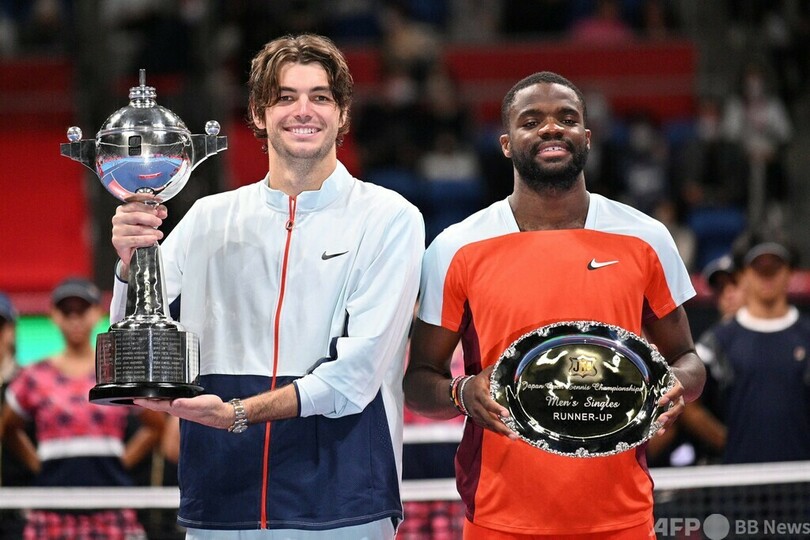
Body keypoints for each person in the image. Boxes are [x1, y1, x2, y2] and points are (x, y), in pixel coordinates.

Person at [115, 33, 424, 538]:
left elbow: (356, 376)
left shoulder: (389, 218)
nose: (303, 111)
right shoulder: (208, 218)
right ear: (258, 114)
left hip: (343, 505)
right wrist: (131, 264)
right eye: (285, 97)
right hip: (221, 502)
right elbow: (135, 351)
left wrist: (236, 414)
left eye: (320, 97)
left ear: (343, 113)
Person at [403, 71, 705, 538]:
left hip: (623, 516)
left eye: (567, 118)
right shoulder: (455, 247)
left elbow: (688, 360)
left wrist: (675, 385)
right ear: (506, 144)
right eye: (531, 121)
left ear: (587, 137)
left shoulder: (646, 237)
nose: (551, 128)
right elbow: (419, 382)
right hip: (500, 518)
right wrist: (462, 393)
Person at [1, 277, 164, 540]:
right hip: (52, 507)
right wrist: (40, 463)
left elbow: (155, 425)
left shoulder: (116, 373)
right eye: (67, 311)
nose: (75, 319)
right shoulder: (34, 376)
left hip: (111, 506)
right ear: (54, 316)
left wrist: (117, 462)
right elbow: (8, 428)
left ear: (97, 312)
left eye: (82, 310)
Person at [686, 235, 810, 464]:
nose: (767, 276)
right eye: (759, 269)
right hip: (741, 474)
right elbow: (686, 403)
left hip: (802, 472)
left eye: (774, 269)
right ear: (743, 275)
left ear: (790, 273)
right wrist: (728, 441)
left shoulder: (806, 335)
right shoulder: (717, 341)